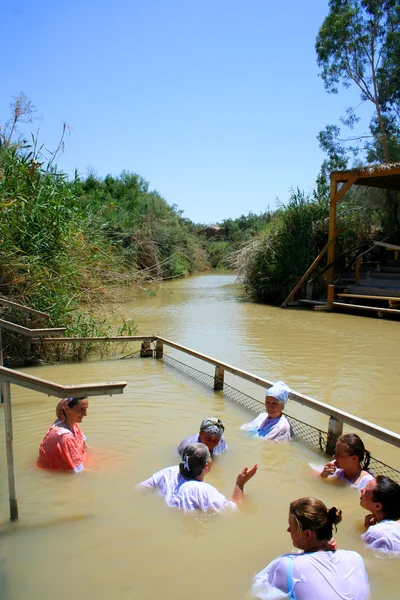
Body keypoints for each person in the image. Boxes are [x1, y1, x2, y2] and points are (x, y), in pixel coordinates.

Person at [252, 497, 370, 600]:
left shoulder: (287, 565)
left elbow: (256, 591)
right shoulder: (355, 558)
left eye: (291, 525)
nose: (288, 530)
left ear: (307, 535)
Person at [140, 442, 257, 511]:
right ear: (206, 467)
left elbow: (141, 488)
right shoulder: (204, 491)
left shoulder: (169, 472)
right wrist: (239, 484)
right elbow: (236, 511)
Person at [37, 397, 88, 472]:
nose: (86, 414)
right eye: (81, 410)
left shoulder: (72, 425)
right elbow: (79, 472)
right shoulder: (66, 438)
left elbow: (86, 448)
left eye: (86, 409)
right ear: (67, 409)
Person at [360, 475, 400, 555]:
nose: (361, 490)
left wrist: (371, 532)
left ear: (377, 506)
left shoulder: (376, 533)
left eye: (366, 491)